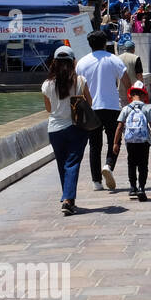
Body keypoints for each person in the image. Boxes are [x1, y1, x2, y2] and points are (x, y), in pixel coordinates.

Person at [76, 30, 129, 192]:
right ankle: (108, 165)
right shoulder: (114, 60)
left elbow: (77, 88)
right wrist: (129, 100)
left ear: (89, 44)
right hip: (112, 106)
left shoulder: (82, 63)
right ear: (105, 42)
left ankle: (96, 182)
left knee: (94, 145)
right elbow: (127, 82)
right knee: (115, 140)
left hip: (92, 108)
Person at [42, 46, 92, 216]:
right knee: (72, 163)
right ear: (73, 62)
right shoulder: (80, 81)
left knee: (63, 164)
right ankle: (68, 199)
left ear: (54, 63)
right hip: (76, 127)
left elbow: (49, 109)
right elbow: (89, 103)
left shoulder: (47, 85)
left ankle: (67, 198)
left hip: (54, 129)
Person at [112, 82, 151, 202]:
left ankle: (132, 188)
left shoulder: (126, 108)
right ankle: (141, 188)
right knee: (143, 164)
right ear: (144, 95)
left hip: (130, 141)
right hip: (144, 141)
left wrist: (115, 143)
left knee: (131, 163)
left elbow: (120, 126)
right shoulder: (147, 108)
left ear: (131, 95)